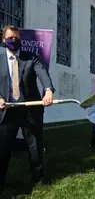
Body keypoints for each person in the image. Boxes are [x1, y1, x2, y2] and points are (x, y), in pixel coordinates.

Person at [0, 25, 54, 195]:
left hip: (30, 110)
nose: (13, 41)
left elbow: (43, 73)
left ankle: (39, 179)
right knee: (3, 147)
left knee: (35, 145)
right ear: (3, 40)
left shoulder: (31, 58)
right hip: (7, 110)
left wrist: (48, 90)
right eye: (10, 38)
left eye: (16, 38)